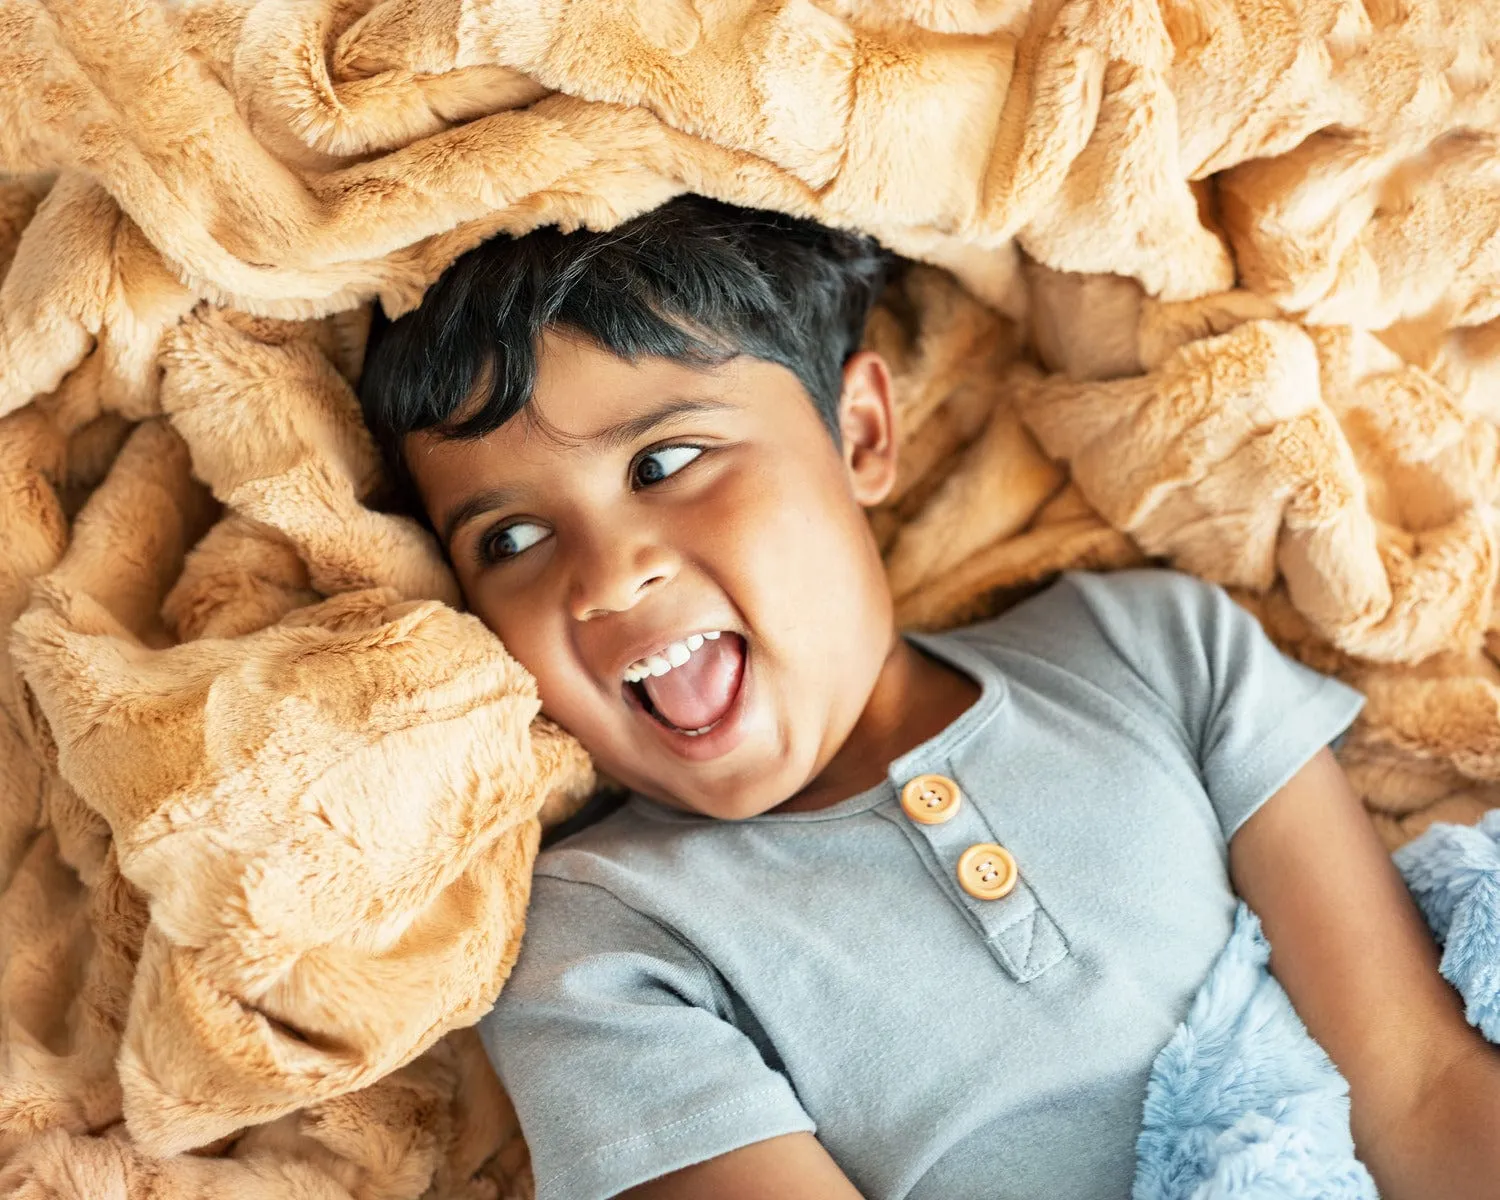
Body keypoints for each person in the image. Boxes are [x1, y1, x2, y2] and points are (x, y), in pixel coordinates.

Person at [357, 196, 1500, 1200]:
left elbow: (1417, 1087)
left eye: (661, 463)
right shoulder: (601, 939)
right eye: (509, 536)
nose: (608, 578)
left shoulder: (1153, 650)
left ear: (859, 433)